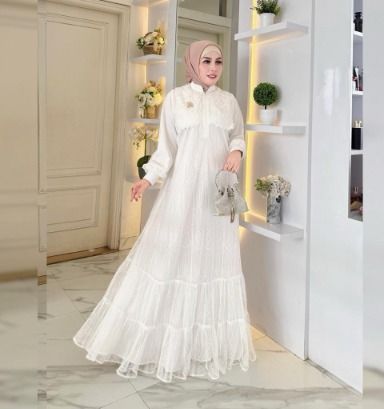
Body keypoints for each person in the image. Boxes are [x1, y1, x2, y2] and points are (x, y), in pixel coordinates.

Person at [73, 40, 256, 383]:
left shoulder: (228, 101)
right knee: (173, 259)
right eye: (206, 61)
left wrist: (237, 152)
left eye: (218, 61)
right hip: (183, 193)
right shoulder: (175, 99)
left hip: (217, 192)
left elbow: (238, 136)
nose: (213, 67)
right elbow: (166, 150)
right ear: (193, 63)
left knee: (211, 261)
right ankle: (162, 341)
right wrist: (147, 179)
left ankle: (203, 344)